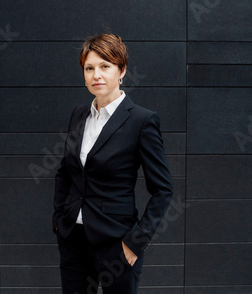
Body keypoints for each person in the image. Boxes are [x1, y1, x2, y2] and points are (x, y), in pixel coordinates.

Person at [52, 33, 173, 294]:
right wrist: (59, 220)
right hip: (73, 239)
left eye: (105, 66)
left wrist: (135, 242)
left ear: (122, 70)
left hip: (117, 243)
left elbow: (163, 190)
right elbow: (66, 172)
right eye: (89, 68)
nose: (96, 75)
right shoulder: (78, 115)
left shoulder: (142, 121)